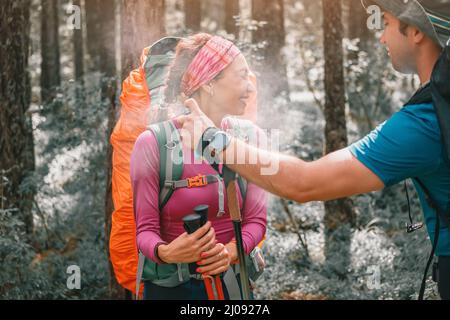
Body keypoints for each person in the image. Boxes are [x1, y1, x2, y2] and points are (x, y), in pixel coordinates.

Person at [178, 1, 450, 300]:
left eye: (385, 22)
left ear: (414, 30)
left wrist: (211, 139)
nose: (381, 36)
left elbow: (304, 182)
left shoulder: (424, 124)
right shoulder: (437, 110)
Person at [130, 33, 267, 300]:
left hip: (233, 285)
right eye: (240, 76)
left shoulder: (251, 138)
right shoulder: (152, 144)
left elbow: (257, 220)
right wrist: (166, 252)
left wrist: (230, 252)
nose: (250, 87)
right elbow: (145, 230)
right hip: (170, 290)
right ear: (209, 84)